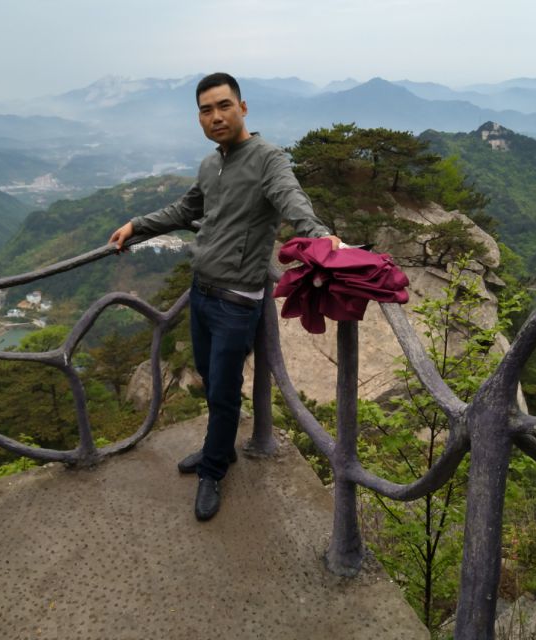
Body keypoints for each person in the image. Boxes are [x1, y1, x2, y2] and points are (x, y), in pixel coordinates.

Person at [109, 72, 340, 521]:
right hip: (201, 292)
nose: (216, 116)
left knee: (225, 390)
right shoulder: (211, 164)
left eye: (224, 106)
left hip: (237, 300)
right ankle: (222, 448)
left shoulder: (268, 159)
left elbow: (292, 201)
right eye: (206, 110)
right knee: (211, 381)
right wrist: (137, 225)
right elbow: (186, 209)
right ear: (199, 117)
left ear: (243, 108)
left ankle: (213, 470)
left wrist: (320, 234)